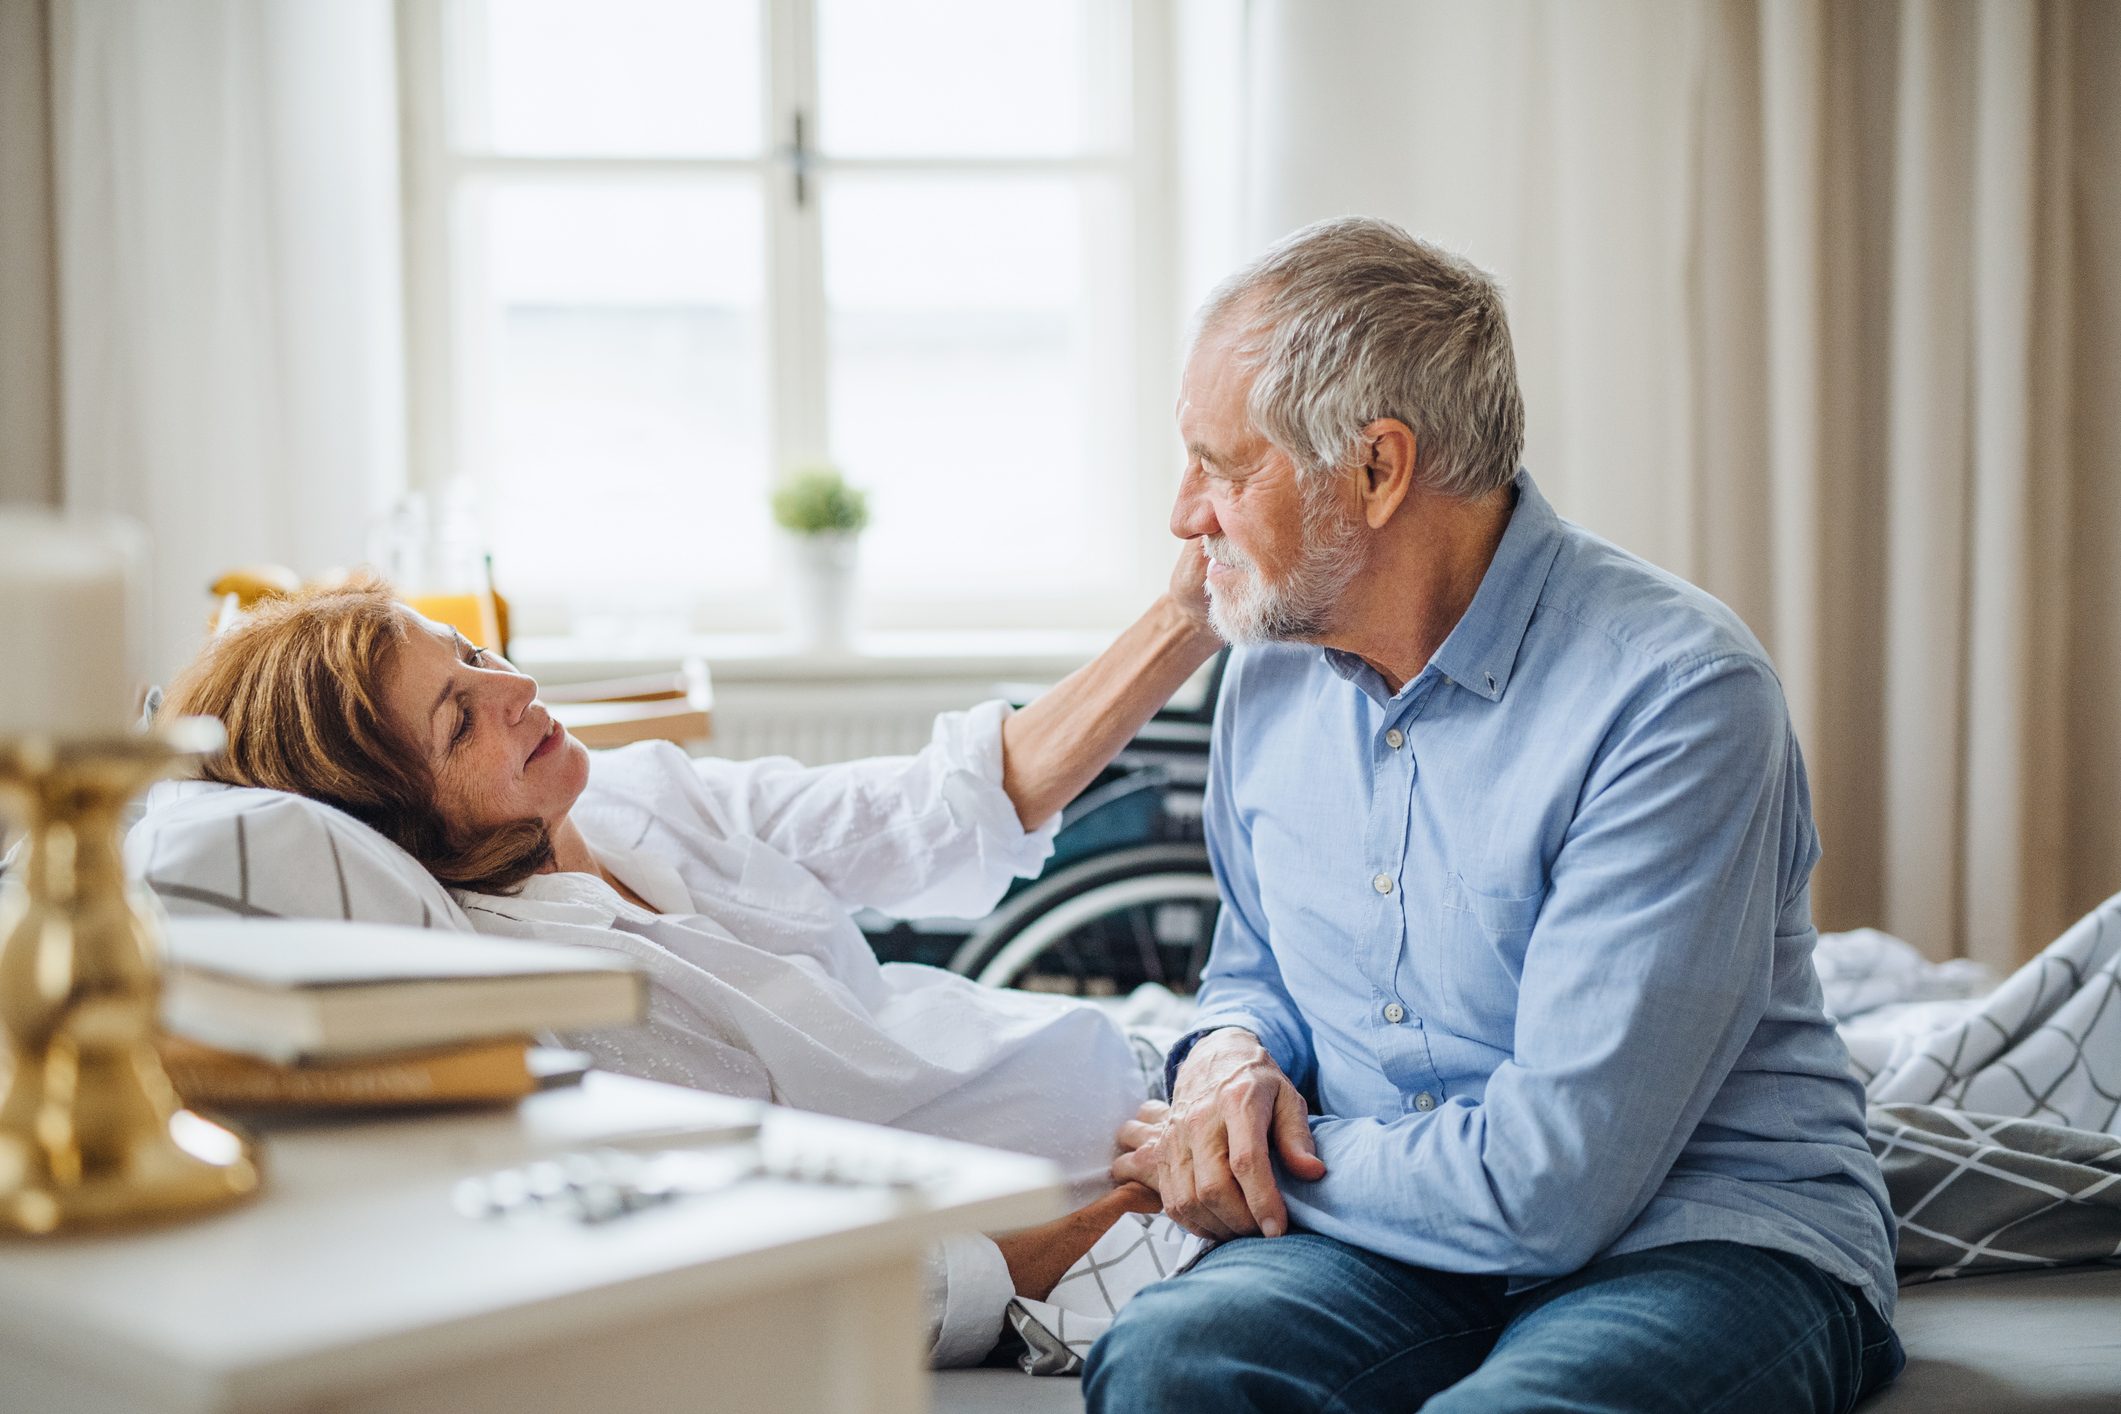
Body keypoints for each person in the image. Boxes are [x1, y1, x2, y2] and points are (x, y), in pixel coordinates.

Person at [1091, 217, 1904, 1411]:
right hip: (1394, 1243)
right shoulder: (1268, 665)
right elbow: (1255, 964)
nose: (1184, 514)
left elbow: (1552, 1185)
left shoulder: (1675, 694)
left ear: (1377, 469)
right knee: (1171, 1362)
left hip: (1696, 1237)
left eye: (1224, 466)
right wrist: (1230, 1061)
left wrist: (1260, 1162)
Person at [158, 557, 1216, 1365]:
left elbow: (931, 809)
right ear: (394, 817)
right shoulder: (544, 1000)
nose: (517, 684)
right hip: (1151, 1199)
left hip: (1153, 1066)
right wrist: (1109, 1223)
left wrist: (1188, 611)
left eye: (472, 655)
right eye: (458, 718)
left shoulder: (631, 795)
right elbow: (763, 1266)